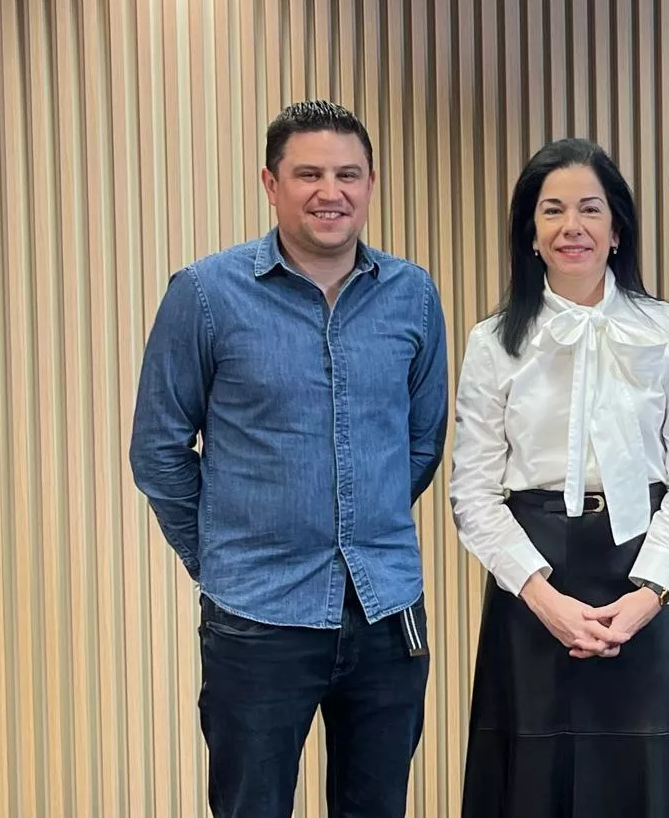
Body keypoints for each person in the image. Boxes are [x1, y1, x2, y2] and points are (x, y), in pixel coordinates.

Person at [128, 100, 449, 817]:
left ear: (371, 184)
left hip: (386, 609)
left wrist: (367, 518)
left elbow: (422, 442)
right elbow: (158, 449)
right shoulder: (206, 295)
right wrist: (218, 555)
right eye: (308, 174)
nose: (329, 192)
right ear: (271, 185)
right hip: (256, 616)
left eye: (347, 174)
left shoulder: (412, 295)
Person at [449, 138, 669, 816]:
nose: (573, 227)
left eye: (590, 209)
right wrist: (545, 600)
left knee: (650, 779)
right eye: (553, 211)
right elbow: (473, 493)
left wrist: (648, 593)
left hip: (646, 576)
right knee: (536, 781)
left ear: (617, 228)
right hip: (534, 581)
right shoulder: (493, 341)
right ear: (531, 234)